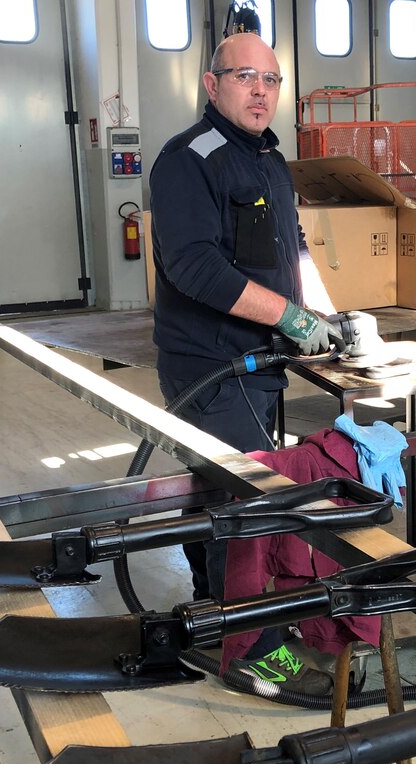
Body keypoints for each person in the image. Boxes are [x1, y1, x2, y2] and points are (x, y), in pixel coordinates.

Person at [150, 32, 339, 695]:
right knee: (254, 508)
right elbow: (194, 265)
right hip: (211, 367)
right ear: (211, 85)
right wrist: (290, 317)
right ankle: (253, 650)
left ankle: (212, 609)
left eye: (271, 79)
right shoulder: (188, 161)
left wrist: (322, 312)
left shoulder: (267, 161)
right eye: (244, 77)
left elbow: (290, 250)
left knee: (216, 492)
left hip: (256, 365)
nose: (261, 91)